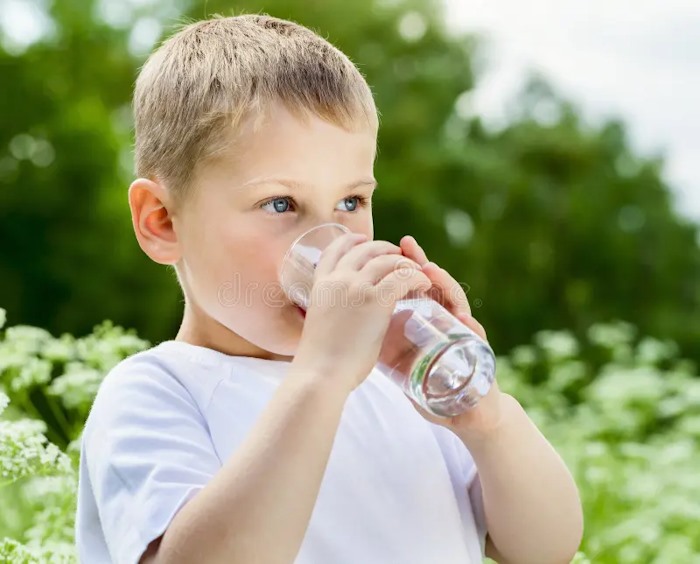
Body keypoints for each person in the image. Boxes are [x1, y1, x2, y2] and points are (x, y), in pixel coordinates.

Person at [75, 14, 583, 564]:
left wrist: (485, 418)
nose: (332, 240)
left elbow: (544, 549)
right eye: (279, 204)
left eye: (351, 202)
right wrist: (322, 374)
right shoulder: (156, 392)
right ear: (163, 221)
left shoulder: (397, 386)